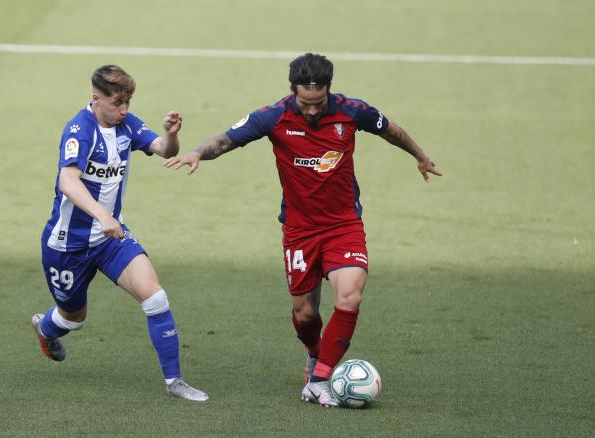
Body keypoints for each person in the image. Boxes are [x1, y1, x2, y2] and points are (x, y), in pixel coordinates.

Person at [164, 53, 441, 407]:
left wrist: (419, 155)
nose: (311, 110)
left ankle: (320, 378)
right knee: (305, 314)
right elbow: (226, 140)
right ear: (293, 90)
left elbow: (392, 131)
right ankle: (315, 353)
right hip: (299, 230)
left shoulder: (351, 111)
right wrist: (197, 153)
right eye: (305, 103)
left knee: (350, 296)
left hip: (343, 224)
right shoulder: (274, 116)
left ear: (328, 90)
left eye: (318, 102)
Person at [32, 65, 208, 401]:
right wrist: (101, 215)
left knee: (155, 295)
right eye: (117, 104)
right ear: (97, 98)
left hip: (112, 238)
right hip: (67, 245)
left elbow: (164, 149)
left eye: (127, 102)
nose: (124, 110)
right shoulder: (79, 130)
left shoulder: (126, 122)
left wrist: (171, 134)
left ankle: (174, 383)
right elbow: (67, 181)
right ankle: (45, 328)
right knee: (73, 318)